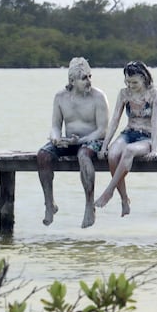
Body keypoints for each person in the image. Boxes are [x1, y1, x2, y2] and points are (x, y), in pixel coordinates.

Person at [37, 57, 109, 228]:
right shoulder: (60, 97)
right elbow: (55, 126)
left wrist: (82, 141)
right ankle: (49, 204)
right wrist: (56, 138)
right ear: (72, 80)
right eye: (84, 78)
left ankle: (89, 206)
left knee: (83, 155)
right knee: (43, 155)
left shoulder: (98, 97)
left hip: (92, 141)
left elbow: (102, 130)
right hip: (68, 141)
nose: (89, 81)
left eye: (90, 76)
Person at [94, 60, 157, 215]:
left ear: (144, 78)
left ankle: (108, 191)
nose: (130, 85)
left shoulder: (154, 94)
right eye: (127, 82)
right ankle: (124, 199)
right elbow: (115, 121)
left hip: (146, 137)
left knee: (129, 151)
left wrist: (155, 149)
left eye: (134, 82)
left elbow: (155, 122)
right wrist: (104, 145)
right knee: (112, 154)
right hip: (128, 133)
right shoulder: (124, 93)